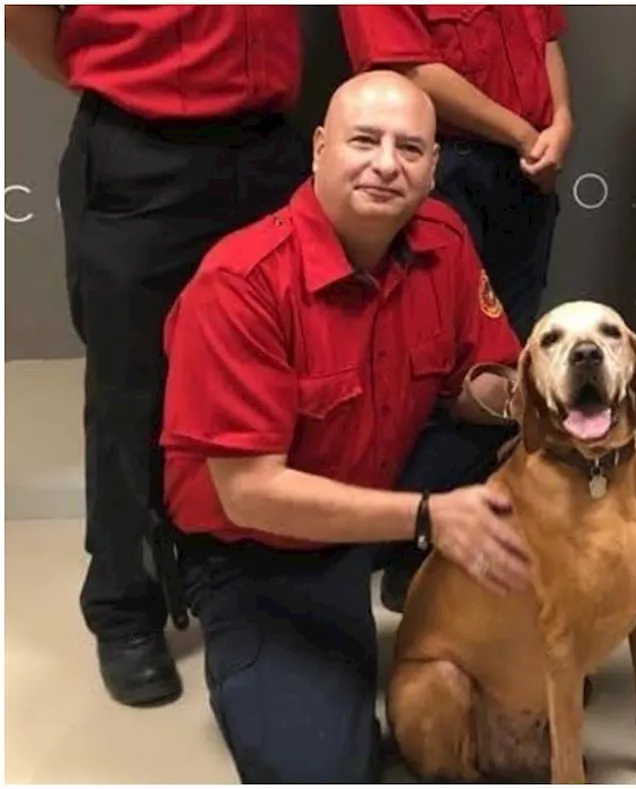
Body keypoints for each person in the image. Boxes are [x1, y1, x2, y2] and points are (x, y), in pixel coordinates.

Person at [159, 71, 528, 783]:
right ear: (320, 149)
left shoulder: (444, 239)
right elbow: (250, 493)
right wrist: (426, 518)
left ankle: (445, 604)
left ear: (432, 169)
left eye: (410, 148)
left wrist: (538, 396)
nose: (387, 163)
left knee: (525, 449)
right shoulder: (241, 283)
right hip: (258, 543)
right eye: (365, 140)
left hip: (376, 480)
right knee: (329, 766)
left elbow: (477, 383)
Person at [4, 5, 310, 708]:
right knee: (130, 394)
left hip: (267, 147)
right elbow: (21, 15)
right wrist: (111, 81)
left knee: (267, 375)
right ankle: (124, 604)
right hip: (144, 150)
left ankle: (241, 577)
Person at [336, 4, 573, 610]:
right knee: (434, 364)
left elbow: (545, 38)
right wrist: (524, 132)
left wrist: (561, 122)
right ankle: (407, 548)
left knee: (509, 365)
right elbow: (409, 70)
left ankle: (471, 535)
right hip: (441, 164)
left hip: (527, 173)